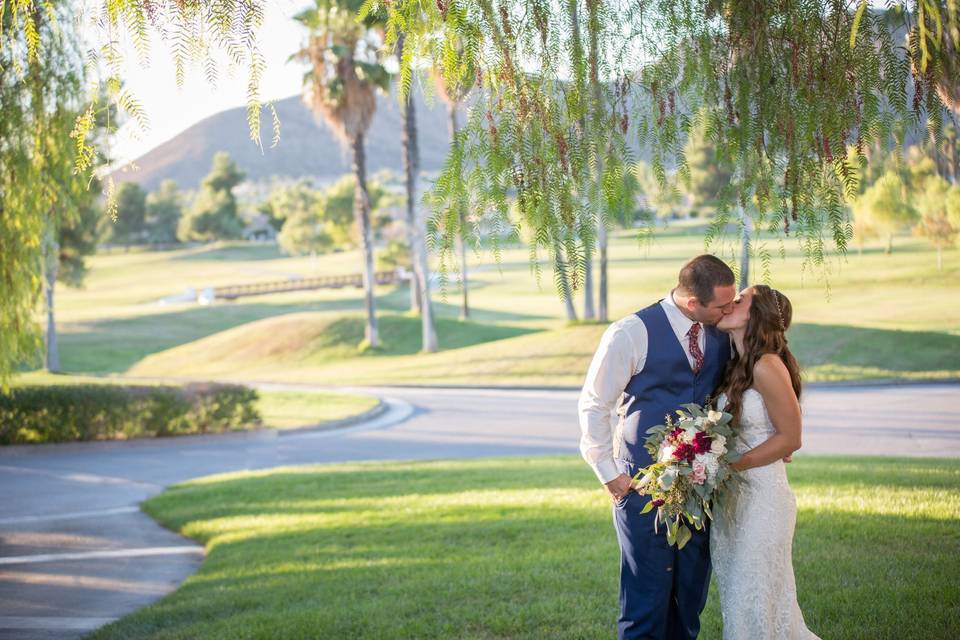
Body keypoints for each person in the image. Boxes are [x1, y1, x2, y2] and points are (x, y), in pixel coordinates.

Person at [578, 254, 736, 640]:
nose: (730, 311)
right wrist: (610, 476)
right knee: (646, 602)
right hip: (641, 487)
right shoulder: (630, 332)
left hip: (700, 487)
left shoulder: (722, 331)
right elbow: (594, 404)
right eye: (723, 305)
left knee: (689, 599)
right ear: (692, 303)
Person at [710, 284, 820, 639]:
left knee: (753, 600)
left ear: (755, 315)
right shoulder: (736, 366)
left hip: (763, 501)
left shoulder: (767, 365)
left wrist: (731, 466)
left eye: (739, 299)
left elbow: (791, 438)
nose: (730, 303)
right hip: (732, 503)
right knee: (739, 601)